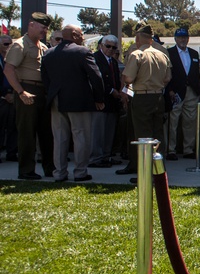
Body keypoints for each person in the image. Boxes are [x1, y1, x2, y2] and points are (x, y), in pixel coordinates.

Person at [41, 25, 104, 182]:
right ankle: (80, 172)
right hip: (79, 100)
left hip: (56, 100)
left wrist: (52, 94)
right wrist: (99, 99)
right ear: (75, 35)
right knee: (81, 136)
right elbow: (96, 77)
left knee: (59, 138)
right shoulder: (82, 52)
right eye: (81, 34)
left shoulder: (48, 54)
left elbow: (45, 79)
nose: (83, 37)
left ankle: (59, 173)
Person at [3, 12, 55, 180]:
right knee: (27, 133)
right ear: (31, 24)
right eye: (42, 27)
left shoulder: (43, 46)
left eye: (46, 28)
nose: (44, 31)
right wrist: (20, 91)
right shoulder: (20, 45)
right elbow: (8, 70)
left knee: (47, 133)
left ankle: (50, 168)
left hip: (42, 91)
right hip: (26, 89)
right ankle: (26, 170)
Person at [117, 24, 171, 179]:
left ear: (138, 38)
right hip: (158, 97)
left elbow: (128, 77)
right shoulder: (162, 54)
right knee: (158, 135)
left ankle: (145, 174)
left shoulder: (137, 54)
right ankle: (159, 170)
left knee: (143, 137)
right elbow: (168, 78)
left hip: (142, 96)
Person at [165, 28, 200, 160]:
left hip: (191, 91)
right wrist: (169, 90)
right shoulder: (169, 53)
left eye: (185, 37)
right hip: (176, 92)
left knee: (190, 122)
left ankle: (188, 149)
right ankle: (171, 150)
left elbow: (197, 73)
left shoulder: (194, 53)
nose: (183, 39)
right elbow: (166, 74)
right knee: (173, 122)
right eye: (180, 37)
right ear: (175, 39)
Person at [90, 35, 124, 167]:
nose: (111, 49)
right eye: (108, 46)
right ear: (101, 46)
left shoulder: (113, 61)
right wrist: (111, 91)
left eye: (114, 47)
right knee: (98, 132)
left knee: (109, 131)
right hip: (100, 100)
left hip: (113, 103)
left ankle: (106, 156)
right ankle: (96, 158)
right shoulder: (94, 59)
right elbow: (95, 79)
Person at [0, 33, 19, 164]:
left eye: (10, 43)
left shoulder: (14, 58)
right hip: (1, 97)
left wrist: (14, 92)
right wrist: (4, 94)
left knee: (13, 126)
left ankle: (12, 153)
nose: (8, 46)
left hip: (14, 95)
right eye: (5, 44)